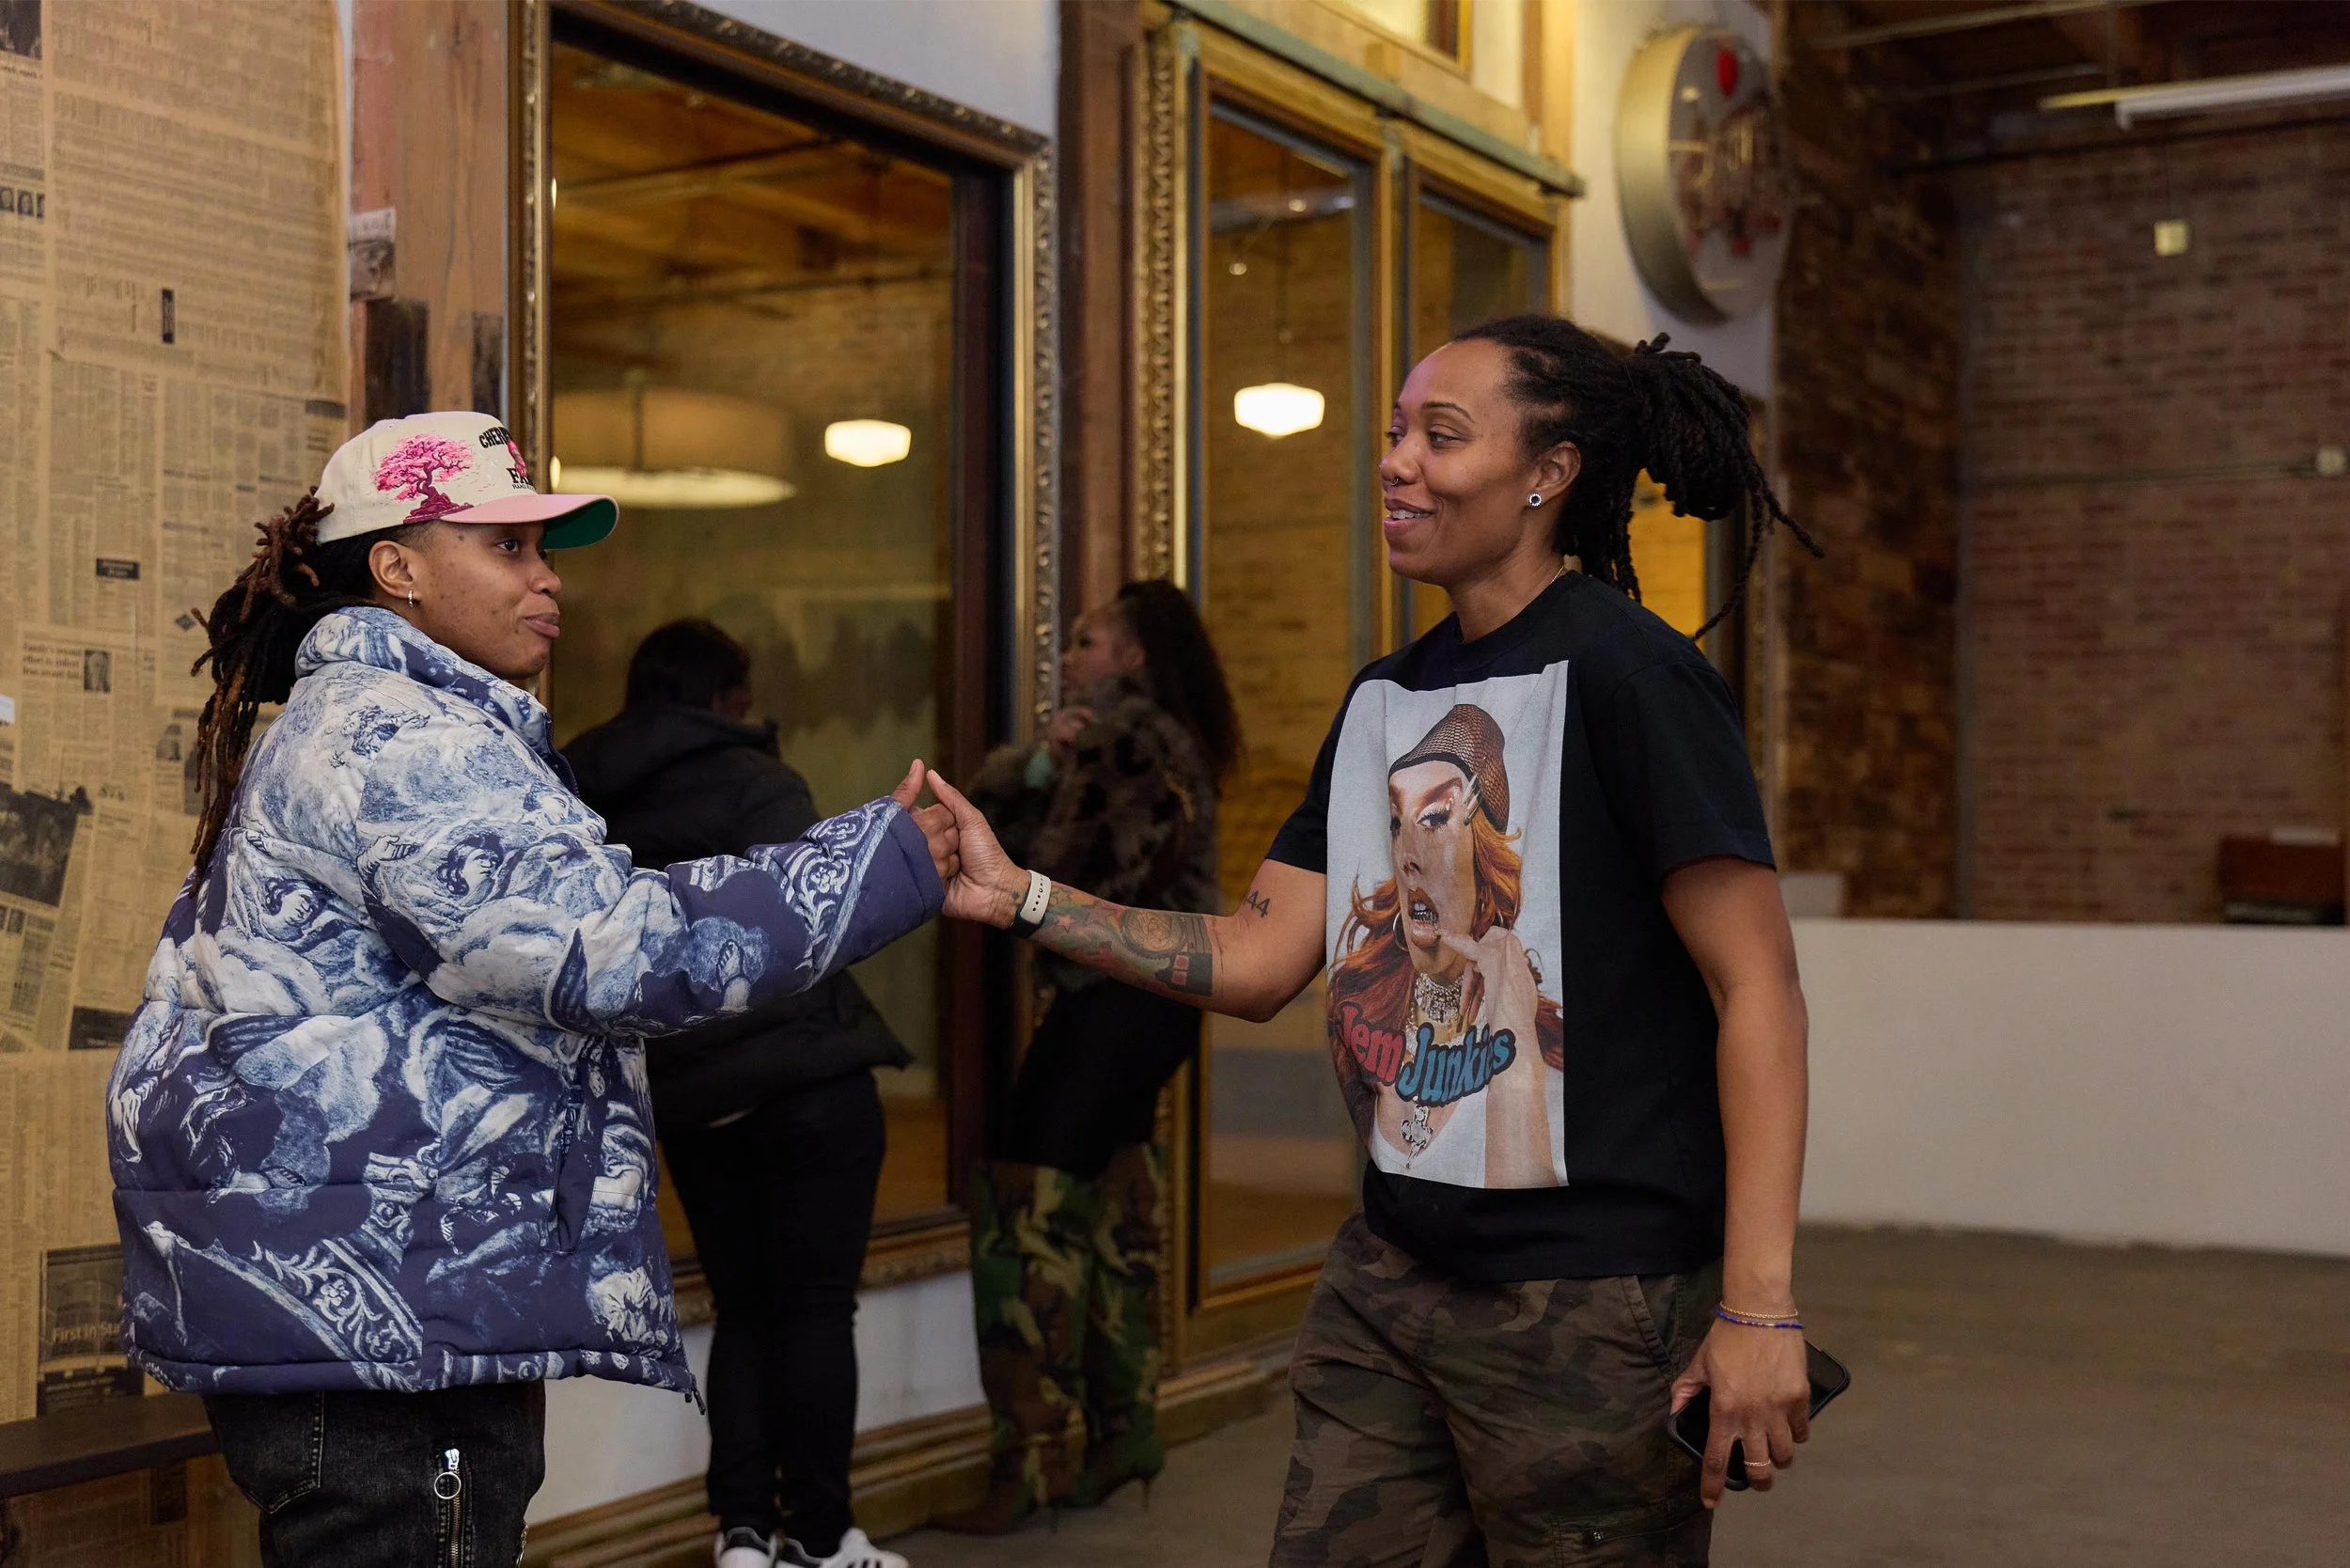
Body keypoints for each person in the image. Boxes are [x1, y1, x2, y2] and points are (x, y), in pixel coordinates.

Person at [927, 317, 1824, 1565]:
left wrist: (1758, 1307)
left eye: (1440, 436)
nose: (1398, 462)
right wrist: (1023, 893)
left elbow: (1758, 990)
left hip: (1589, 1304)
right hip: (1389, 1278)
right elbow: (1253, 959)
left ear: (1547, 472)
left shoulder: (1631, 678)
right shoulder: (1381, 701)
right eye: (1395, 433)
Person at [104, 413, 957, 1568]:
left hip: (387, 1293)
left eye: (544, 549)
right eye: (505, 546)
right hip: (383, 1312)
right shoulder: (399, 739)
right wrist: (884, 862)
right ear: (397, 568)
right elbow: (609, 949)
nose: (545, 579)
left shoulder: (393, 722)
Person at [567, 619, 912, 1568]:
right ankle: (827, 1534)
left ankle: (745, 1536)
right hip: (806, 1086)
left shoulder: (587, 798)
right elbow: (799, 930)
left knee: (741, 1309)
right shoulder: (761, 783)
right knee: (810, 1309)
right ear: (726, 699)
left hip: (691, 1095)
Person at [938, 580, 1240, 1532]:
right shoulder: (1167, 740)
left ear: (1132, 656)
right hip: (1158, 1005)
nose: (1070, 656)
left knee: (1024, 1204)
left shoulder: (1123, 738)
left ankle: (1026, 1459)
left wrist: (1028, 773)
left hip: (1112, 999)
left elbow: (1040, 877)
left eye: (1086, 641)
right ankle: (1121, 1434)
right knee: (1115, 1199)